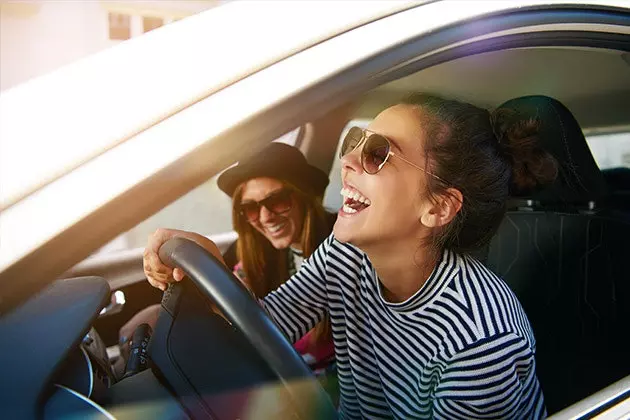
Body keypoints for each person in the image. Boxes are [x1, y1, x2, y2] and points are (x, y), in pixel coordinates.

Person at [144, 93, 555, 419]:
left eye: (378, 153)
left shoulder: (479, 342)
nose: (347, 160)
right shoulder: (346, 256)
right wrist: (210, 264)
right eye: (354, 142)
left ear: (437, 207)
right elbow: (267, 326)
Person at [121, 143, 336, 375]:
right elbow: (239, 313)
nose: (265, 217)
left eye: (278, 201)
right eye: (251, 208)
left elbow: (272, 324)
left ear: (304, 196)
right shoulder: (255, 250)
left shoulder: (340, 249)